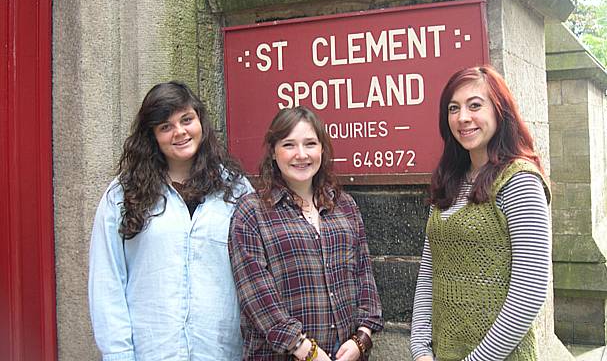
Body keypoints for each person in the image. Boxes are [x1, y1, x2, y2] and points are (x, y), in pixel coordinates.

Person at [89, 81, 253, 361]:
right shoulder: (123, 194)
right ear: (152, 136)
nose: (180, 132)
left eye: (186, 119)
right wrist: (118, 353)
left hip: (221, 350)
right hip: (151, 350)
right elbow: (107, 280)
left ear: (199, 120)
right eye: (165, 126)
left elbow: (254, 274)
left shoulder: (235, 190)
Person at [410, 65, 552, 361]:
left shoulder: (519, 181)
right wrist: (420, 347)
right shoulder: (451, 179)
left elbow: (530, 290)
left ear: (500, 111)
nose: (462, 117)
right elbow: (429, 272)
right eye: (453, 108)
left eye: (475, 105)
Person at [229, 106, 383, 361]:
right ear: (274, 153)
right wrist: (304, 349)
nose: (301, 155)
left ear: (322, 148)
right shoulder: (251, 211)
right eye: (289, 145)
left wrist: (362, 338)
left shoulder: (344, 205)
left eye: (310, 143)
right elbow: (255, 294)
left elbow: (364, 276)